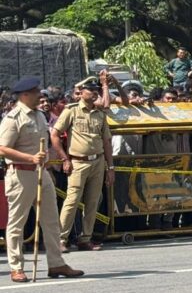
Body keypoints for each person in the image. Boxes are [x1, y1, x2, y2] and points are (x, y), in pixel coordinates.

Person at [0, 77, 83, 282]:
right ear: (25, 95)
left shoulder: (38, 115)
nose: (40, 94)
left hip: (40, 172)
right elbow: (2, 147)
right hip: (20, 173)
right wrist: (30, 157)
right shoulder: (13, 118)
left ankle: (56, 263)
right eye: (36, 91)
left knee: (51, 219)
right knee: (17, 223)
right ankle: (16, 267)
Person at [50, 77, 114, 252]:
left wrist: (111, 167)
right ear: (80, 93)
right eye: (90, 90)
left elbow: (107, 142)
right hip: (78, 161)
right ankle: (61, 239)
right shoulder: (71, 111)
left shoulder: (100, 114)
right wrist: (64, 158)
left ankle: (85, 238)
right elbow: (55, 135)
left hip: (98, 161)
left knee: (93, 202)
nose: (94, 92)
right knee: (72, 201)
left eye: (96, 90)